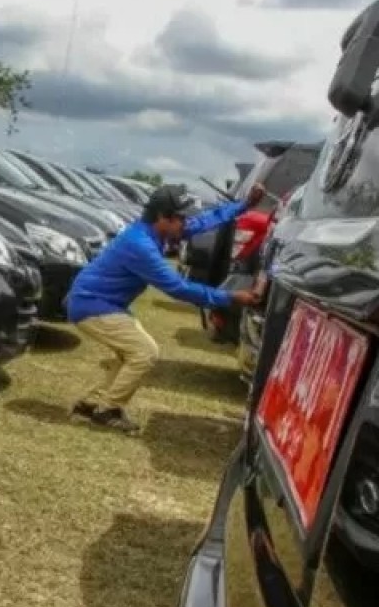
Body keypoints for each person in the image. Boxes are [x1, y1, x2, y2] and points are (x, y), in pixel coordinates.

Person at [66, 183, 266, 435]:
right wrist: (231, 297)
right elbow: (178, 288)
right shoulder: (141, 246)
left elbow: (203, 222)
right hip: (91, 305)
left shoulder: (157, 232)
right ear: (163, 217)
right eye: (181, 218)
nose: (185, 223)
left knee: (130, 354)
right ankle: (109, 411)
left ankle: (93, 403)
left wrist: (243, 205)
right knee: (145, 352)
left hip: (99, 303)